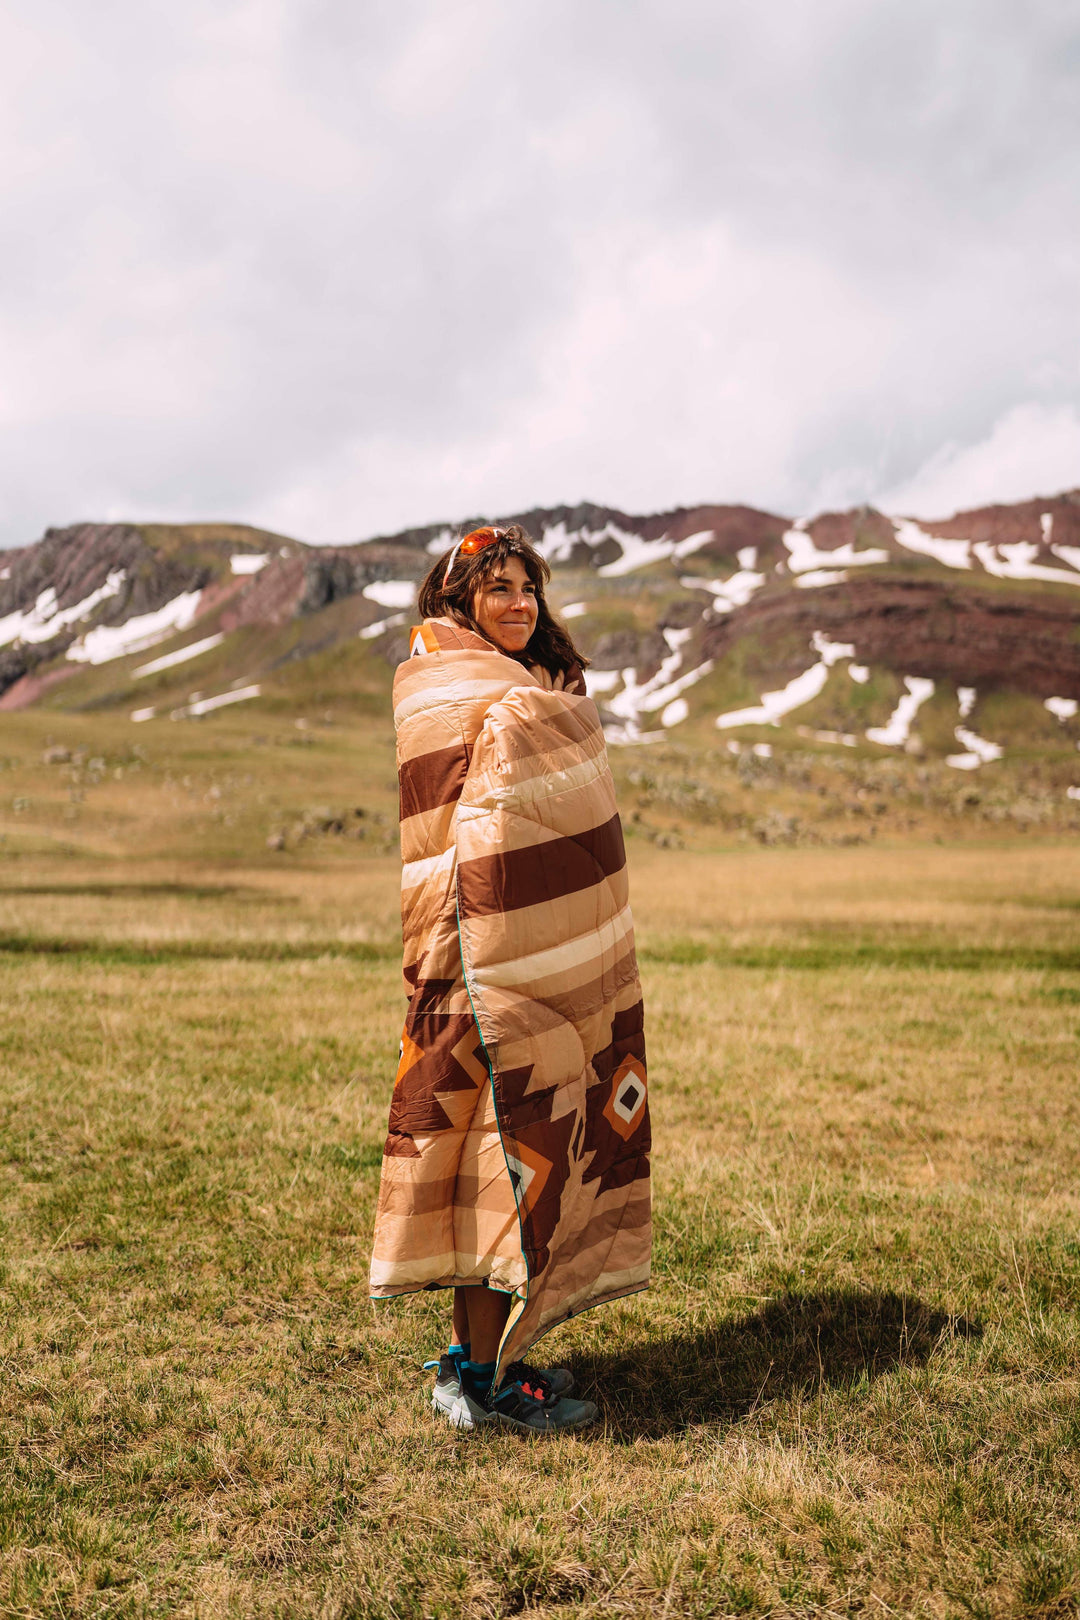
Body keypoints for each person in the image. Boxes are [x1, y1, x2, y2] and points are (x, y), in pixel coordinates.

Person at [369, 524, 651, 1435]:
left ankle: (482, 1363)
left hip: (516, 951)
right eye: (498, 590)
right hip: (478, 954)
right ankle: (485, 1381)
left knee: (509, 1145)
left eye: (528, 588)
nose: (520, 605)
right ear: (461, 601)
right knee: (495, 1148)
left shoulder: (522, 685)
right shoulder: (448, 685)